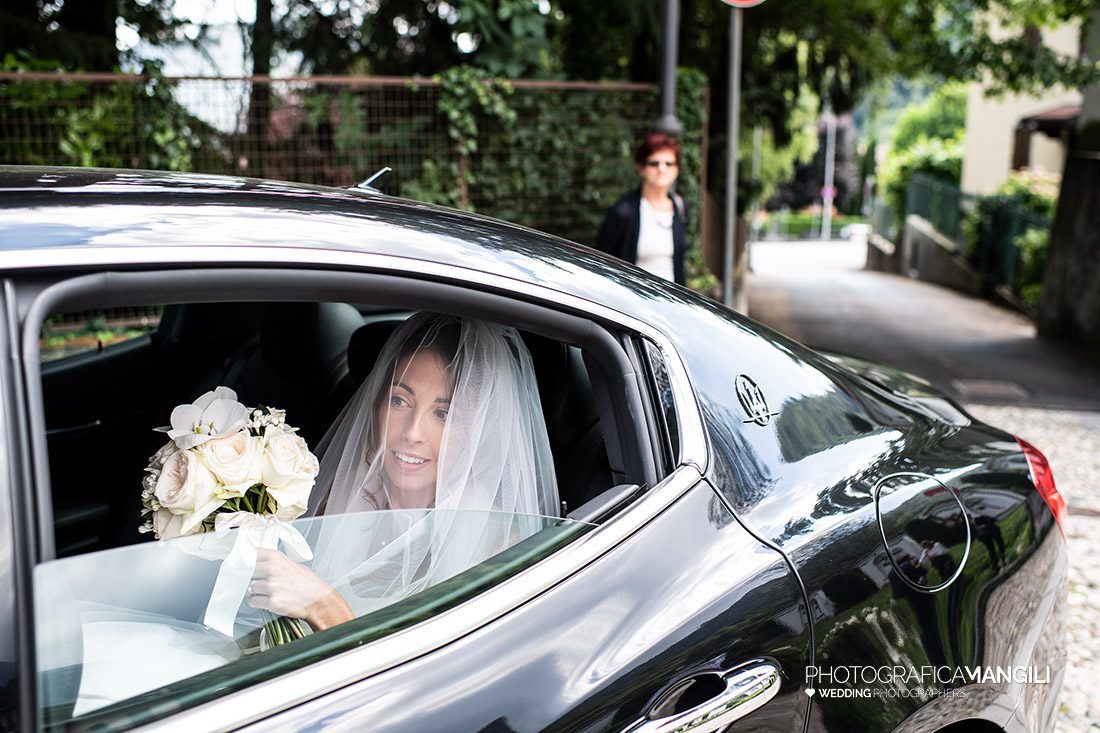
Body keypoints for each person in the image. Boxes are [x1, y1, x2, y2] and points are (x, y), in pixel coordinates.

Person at [247, 313, 560, 631]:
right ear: (376, 403)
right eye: (399, 400)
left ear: (479, 430)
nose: (412, 432)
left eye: (443, 413)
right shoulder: (337, 496)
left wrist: (324, 606)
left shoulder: (496, 547)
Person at [595, 131, 689, 285]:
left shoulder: (680, 208)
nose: (662, 169)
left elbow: (678, 266)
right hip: (631, 304)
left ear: (677, 169)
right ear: (641, 167)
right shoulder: (623, 211)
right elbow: (602, 262)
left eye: (669, 163)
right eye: (654, 163)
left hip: (671, 304)